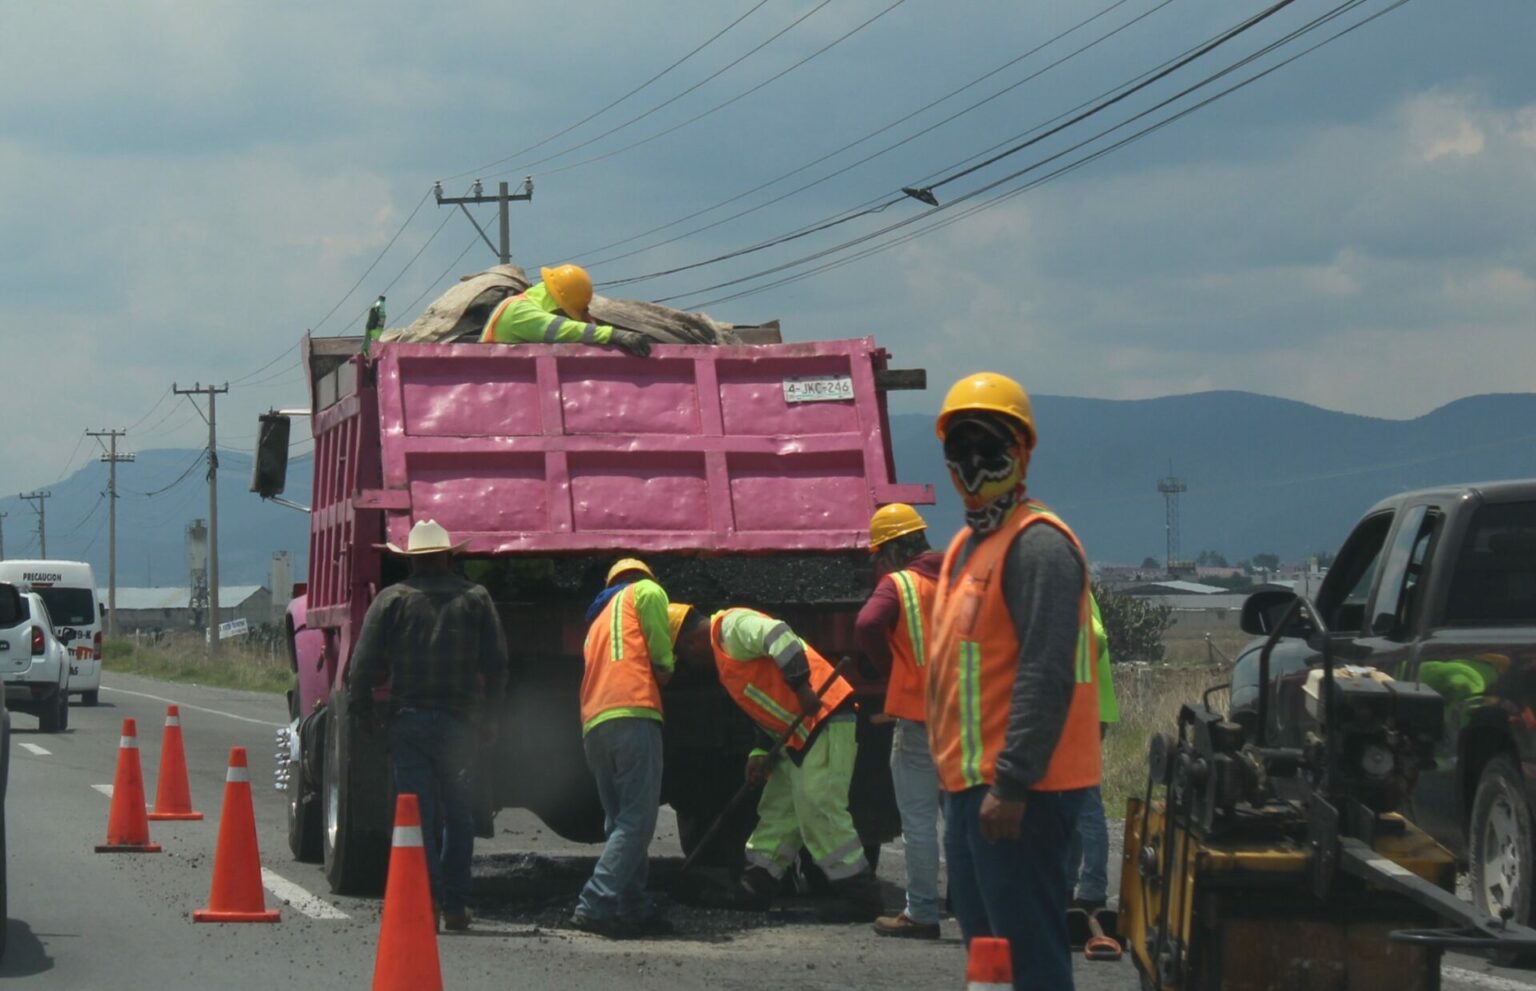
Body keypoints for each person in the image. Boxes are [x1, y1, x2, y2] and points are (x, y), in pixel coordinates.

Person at [926, 372, 1101, 991]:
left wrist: (1014, 781)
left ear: (1021, 451)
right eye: (960, 451)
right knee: (989, 957)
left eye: (989, 449)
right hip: (971, 789)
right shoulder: (968, 549)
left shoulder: (1039, 547)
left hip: (1018, 793)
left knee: (1029, 958)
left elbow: (1044, 672)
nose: (973, 466)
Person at [347, 519, 510, 933]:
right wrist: (490, 718)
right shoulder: (476, 598)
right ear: (450, 556)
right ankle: (457, 906)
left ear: (410, 562)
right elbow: (497, 665)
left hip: (409, 723)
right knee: (459, 816)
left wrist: (361, 711)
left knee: (418, 817)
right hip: (460, 726)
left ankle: (429, 900)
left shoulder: (391, 600)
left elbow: (362, 664)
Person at [672, 606, 883, 919]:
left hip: (822, 719)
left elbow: (779, 634)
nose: (690, 664)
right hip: (797, 736)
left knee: (819, 810)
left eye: (685, 657)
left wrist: (802, 688)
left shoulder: (731, 627)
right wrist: (759, 753)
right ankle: (756, 885)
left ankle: (861, 896)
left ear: (691, 643)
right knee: (778, 813)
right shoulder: (725, 657)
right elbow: (765, 706)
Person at [570, 558, 690, 938]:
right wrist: (667, 667)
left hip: (594, 722)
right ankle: (595, 900)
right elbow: (660, 650)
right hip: (633, 711)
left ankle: (633, 905)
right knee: (638, 820)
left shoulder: (596, 620)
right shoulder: (647, 592)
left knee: (619, 820)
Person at [857, 503, 945, 940]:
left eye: (878, 554)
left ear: (891, 550)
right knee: (966, 817)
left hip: (917, 716)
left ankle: (923, 912)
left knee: (919, 819)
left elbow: (868, 622)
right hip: (969, 716)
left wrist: (894, 673)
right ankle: (976, 905)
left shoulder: (900, 585)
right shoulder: (963, 576)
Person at [1067, 596, 1119, 912]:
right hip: (1084, 708)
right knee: (1072, 807)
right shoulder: (1076, 587)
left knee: (1086, 807)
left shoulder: (1067, 587)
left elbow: (1096, 637)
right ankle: (1073, 885)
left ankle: (1091, 890)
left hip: (1078, 710)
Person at [480, 263, 652, 357]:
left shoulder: (523, 305)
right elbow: (561, 328)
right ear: (557, 304)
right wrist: (614, 335)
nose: (567, 318)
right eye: (567, 313)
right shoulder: (518, 310)